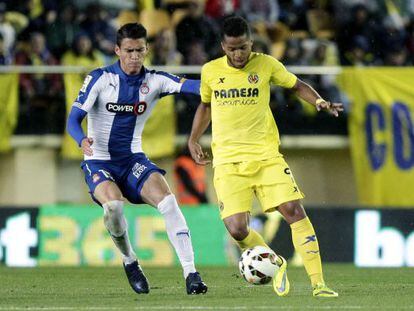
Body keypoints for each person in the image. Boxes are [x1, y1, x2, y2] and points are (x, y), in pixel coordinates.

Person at [188, 16, 342, 298]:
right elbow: (205, 106)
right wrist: (193, 138)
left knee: (294, 211)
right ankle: (275, 261)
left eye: (244, 47)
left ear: (251, 43)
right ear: (223, 46)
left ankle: (318, 284)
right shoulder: (210, 71)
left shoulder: (267, 64)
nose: (238, 54)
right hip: (228, 162)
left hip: (266, 156)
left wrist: (319, 101)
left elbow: (296, 85)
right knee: (236, 229)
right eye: (233, 49)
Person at [66, 23, 208, 295]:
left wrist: (226, 80)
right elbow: (73, 119)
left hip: (133, 160)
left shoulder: (155, 80)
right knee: (114, 208)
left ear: (146, 50)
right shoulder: (99, 78)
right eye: (128, 50)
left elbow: (196, 87)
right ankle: (130, 261)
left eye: (139, 50)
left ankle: (191, 273)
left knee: (168, 201)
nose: (134, 56)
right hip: (99, 161)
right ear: (117, 50)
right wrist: (81, 139)